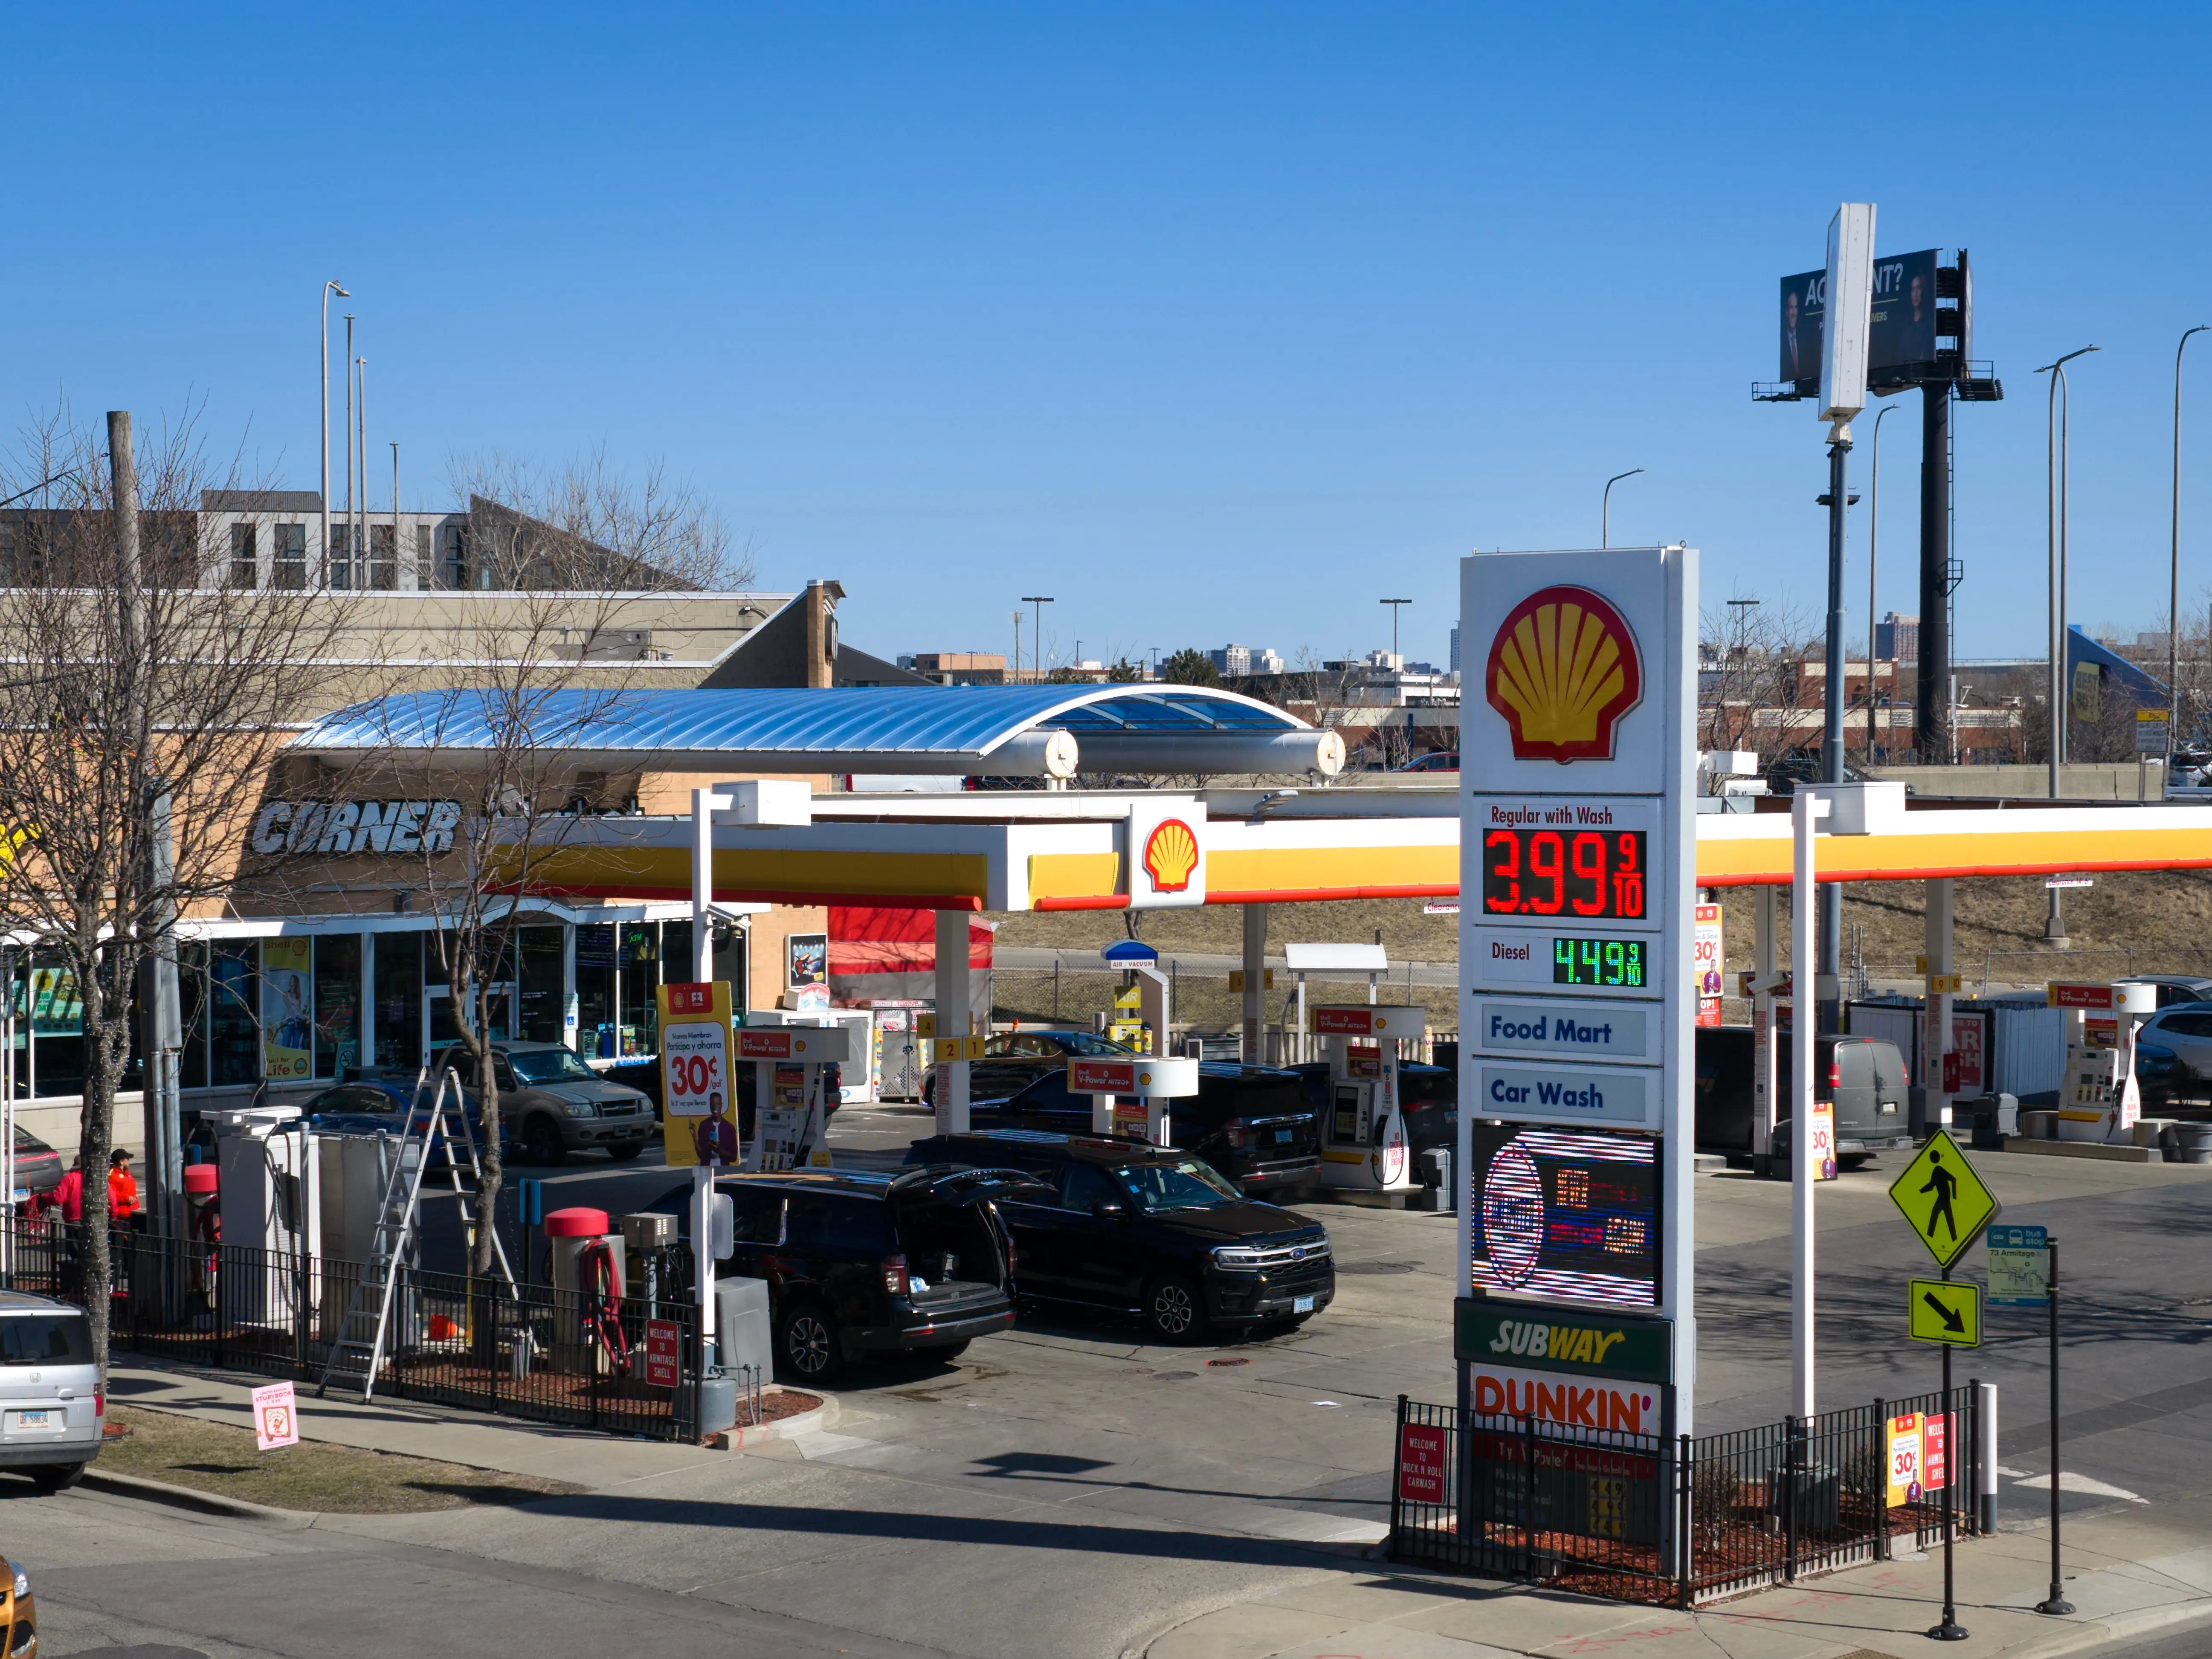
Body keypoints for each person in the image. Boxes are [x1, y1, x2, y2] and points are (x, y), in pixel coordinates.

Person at [693, 1091, 739, 1166]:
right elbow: (701, 1155)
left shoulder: (729, 1128)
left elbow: (734, 1158)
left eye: (717, 1104)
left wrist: (721, 1151)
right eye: (713, 1104)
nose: (715, 1107)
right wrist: (694, 1136)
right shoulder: (704, 1126)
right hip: (707, 1168)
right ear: (710, 1106)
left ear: (721, 1105)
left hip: (723, 1169)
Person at [108, 1148, 139, 1222]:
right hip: (123, 1215)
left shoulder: (127, 1173)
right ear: (122, 1162)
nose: (129, 1161)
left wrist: (137, 1206)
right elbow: (112, 1194)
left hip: (134, 1211)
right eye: (127, 1159)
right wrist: (126, 1198)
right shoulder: (112, 1175)